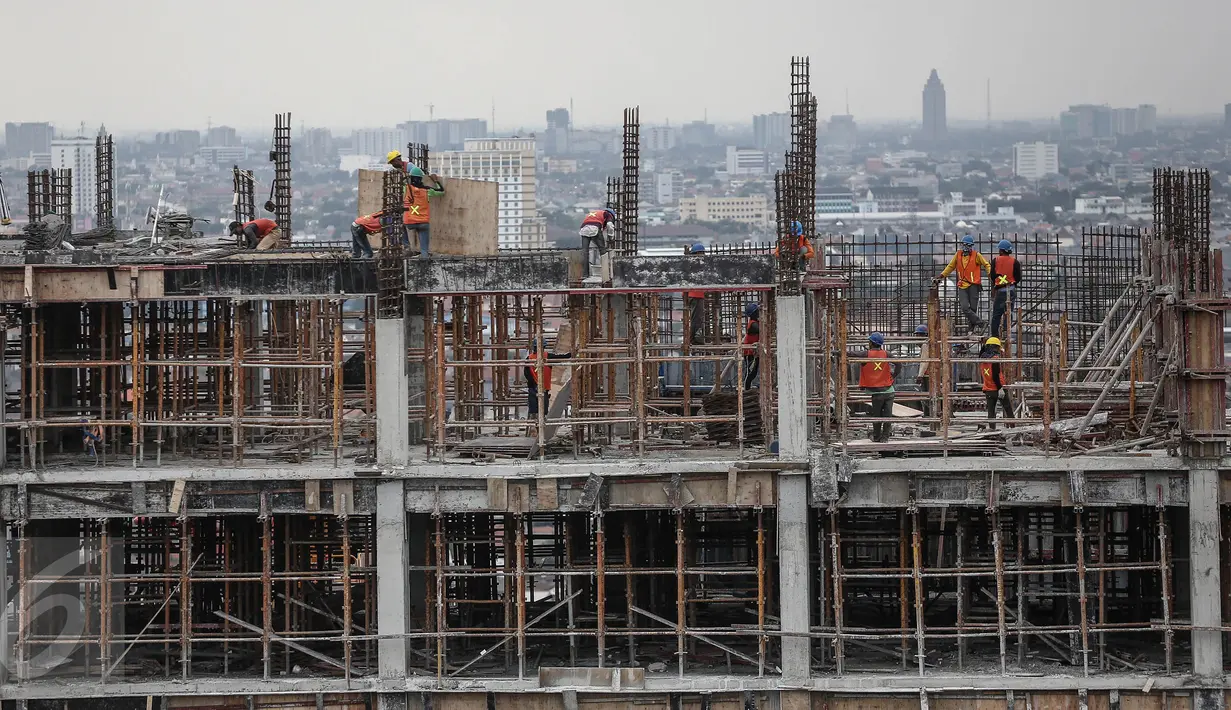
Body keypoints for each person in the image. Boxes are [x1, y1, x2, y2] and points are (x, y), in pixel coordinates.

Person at [387, 151, 445, 257]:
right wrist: (435, 181)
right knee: (424, 250)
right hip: (423, 222)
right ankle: (424, 266)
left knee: (399, 224)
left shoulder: (406, 189)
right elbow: (442, 191)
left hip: (410, 222)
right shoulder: (428, 191)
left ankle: (407, 246)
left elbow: (400, 185)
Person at [934, 235, 990, 334]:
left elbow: (986, 264)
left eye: (968, 245)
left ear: (971, 246)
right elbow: (951, 266)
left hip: (974, 285)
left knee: (973, 309)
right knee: (965, 307)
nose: (965, 247)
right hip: (962, 285)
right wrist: (942, 275)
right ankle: (981, 323)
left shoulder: (976, 255)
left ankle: (971, 329)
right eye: (964, 245)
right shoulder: (958, 255)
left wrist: (990, 273)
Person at [859, 332, 896, 442]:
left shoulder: (866, 354)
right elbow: (899, 364)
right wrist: (893, 375)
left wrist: (838, 353)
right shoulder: (887, 354)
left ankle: (876, 437)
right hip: (889, 391)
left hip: (877, 392)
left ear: (871, 343)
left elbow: (852, 353)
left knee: (877, 415)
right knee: (887, 416)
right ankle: (885, 438)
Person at [989, 239, 1021, 340]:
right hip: (1011, 289)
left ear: (1001, 250)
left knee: (996, 314)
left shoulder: (996, 260)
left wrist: (997, 284)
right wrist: (1011, 282)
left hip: (1000, 291)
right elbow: (1018, 277)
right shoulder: (1014, 261)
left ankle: (995, 336)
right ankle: (1006, 333)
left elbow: (993, 275)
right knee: (1008, 312)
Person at [979, 337, 1013, 429]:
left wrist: (984, 344)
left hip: (988, 389)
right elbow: (995, 375)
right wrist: (1000, 388)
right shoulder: (995, 359)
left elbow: (982, 351)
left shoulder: (982, 358)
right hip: (998, 388)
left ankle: (992, 430)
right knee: (1008, 409)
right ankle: (1014, 429)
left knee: (991, 412)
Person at [579, 208, 618, 281]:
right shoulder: (608, 214)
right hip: (595, 228)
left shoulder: (596, 213)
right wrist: (611, 237)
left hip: (584, 229)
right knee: (603, 251)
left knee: (585, 253)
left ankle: (585, 275)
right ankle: (606, 274)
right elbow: (610, 225)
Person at [687, 243, 707, 345]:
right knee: (696, 319)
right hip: (695, 295)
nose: (703, 255)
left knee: (697, 318)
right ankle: (693, 340)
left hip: (696, 295)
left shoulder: (692, 265)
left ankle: (695, 338)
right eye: (701, 253)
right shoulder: (696, 265)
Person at [741, 302, 761, 390]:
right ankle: (746, 389)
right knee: (750, 372)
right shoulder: (753, 324)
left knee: (754, 372)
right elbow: (761, 330)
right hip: (749, 351)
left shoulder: (756, 322)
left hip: (754, 351)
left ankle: (747, 388)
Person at [914, 324, 932, 418]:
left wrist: (920, 375)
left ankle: (927, 415)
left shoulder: (925, 345)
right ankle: (930, 414)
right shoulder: (929, 343)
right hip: (931, 374)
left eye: (918, 335)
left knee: (926, 395)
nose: (916, 338)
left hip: (927, 375)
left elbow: (925, 361)